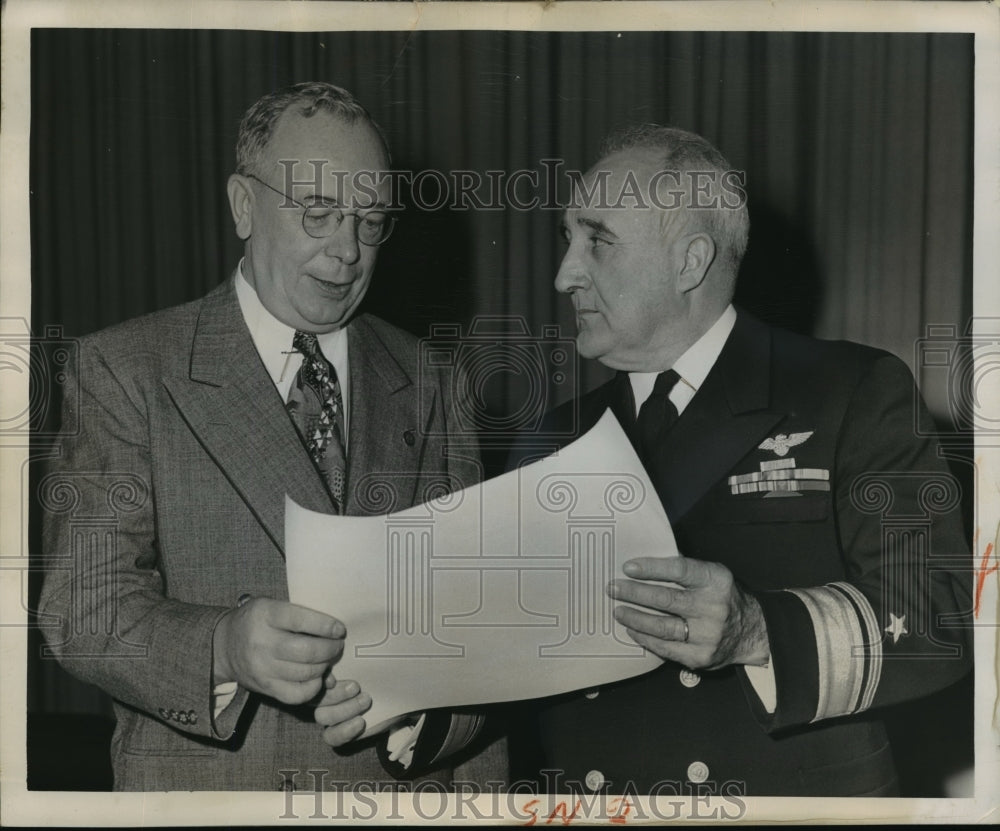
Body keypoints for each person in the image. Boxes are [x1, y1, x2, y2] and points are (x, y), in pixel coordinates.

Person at [39, 82, 503, 791]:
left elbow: (485, 627)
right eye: (318, 211)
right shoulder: (126, 369)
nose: (347, 249)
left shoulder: (434, 378)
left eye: (370, 220)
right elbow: (82, 608)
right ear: (243, 205)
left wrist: (431, 721)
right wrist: (223, 646)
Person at [512, 125, 972, 797]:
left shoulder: (849, 392)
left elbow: (940, 615)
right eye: (567, 239)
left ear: (690, 262)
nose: (564, 274)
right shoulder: (552, 437)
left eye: (598, 240)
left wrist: (758, 630)